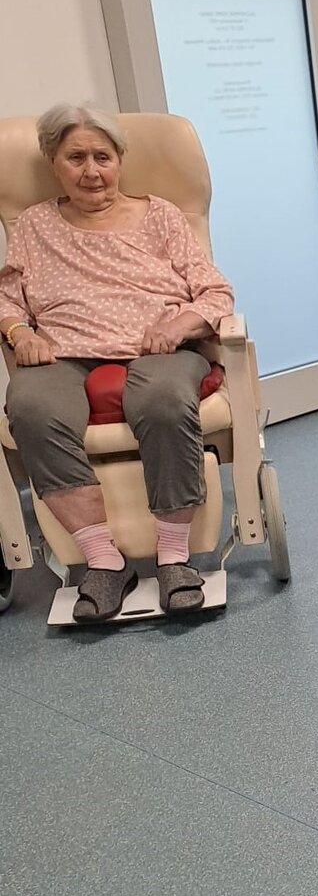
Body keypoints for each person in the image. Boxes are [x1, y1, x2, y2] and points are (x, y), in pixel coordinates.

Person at [0, 104, 233, 620]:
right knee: (30, 406)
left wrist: (178, 325)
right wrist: (19, 332)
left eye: (102, 157)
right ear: (53, 162)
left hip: (159, 348)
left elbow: (215, 293)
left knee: (164, 399)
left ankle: (174, 558)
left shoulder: (162, 216)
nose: (91, 171)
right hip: (63, 352)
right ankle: (104, 562)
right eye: (76, 157)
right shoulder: (34, 224)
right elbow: (7, 297)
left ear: (120, 159)